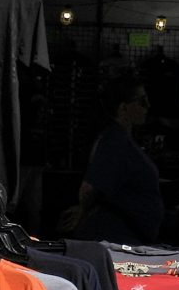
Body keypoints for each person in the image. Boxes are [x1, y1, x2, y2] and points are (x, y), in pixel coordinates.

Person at [68, 75, 163, 244]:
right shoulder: (114, 141)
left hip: (123, 237)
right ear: (123, 108)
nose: (148, 106)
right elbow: (88, 189)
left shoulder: (121, 139)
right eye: (142, 101)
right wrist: (82, 212)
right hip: (115, 238)